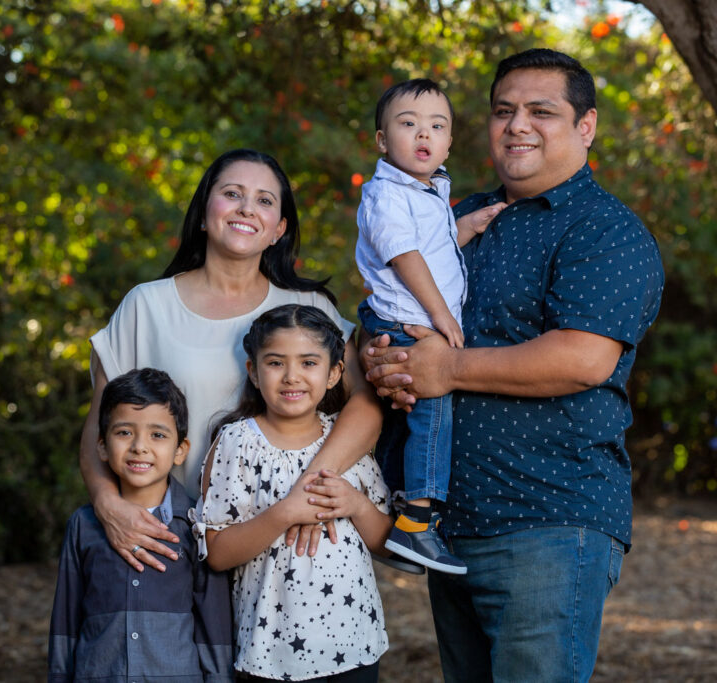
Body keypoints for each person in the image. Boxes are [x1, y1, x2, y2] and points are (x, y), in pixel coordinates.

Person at [363, 49, 665, 682]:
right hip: (450, 526)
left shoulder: (602, 230)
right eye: (504, 111)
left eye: (541, 111)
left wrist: (443, 370)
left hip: (547, 521)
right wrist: (383, 357)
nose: (517, 125)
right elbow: (402, 314)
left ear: (585, 127)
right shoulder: (456, 216)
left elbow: (582, 359)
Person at [79, 149, 382, 573]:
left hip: (287, 554)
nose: (246, 208)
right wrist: (109, 506)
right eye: (232, 193)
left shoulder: (307, 308)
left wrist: (307, 492)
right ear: (204, 213)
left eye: (264, 200)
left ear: (279, 228)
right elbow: (98, 427)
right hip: (167, 544)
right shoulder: (146, 306)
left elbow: (366, 405)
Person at [196, 305, 392, 682]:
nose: (292, 377)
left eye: (308, 363)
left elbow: (385, 543)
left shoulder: (347, 442)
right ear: (253, 371)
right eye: (275, 363)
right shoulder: (237, 443)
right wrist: (285, 512)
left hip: (353, 644)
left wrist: (356, 504)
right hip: (270, 651)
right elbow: (217, 554)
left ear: (335, 373)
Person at [49, 368, 233, 682]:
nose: (139, 446)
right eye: (124, 432)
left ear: (180, 451)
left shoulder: (195, 523)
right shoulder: (83, 525)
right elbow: (65, 621)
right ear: (103, 446)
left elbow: (212, 625)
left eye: (157, 435)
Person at [354, 78, 467, 574]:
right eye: (408, 124)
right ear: (382, 141)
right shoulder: (385, 192)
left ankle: (395, 505)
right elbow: (404, 255)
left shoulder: (430, 192)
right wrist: (441, 316)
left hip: (412, 317)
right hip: (411, 322)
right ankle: (417, 525)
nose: (424, 134)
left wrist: (469, 225)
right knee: (433, 413)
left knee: (406, 419)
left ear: (448, 143)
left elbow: (433, 246)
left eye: (436, 126)